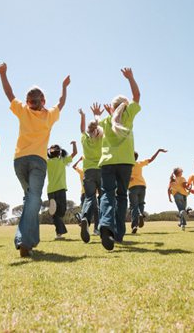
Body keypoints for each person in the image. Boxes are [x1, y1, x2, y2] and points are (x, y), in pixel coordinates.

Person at [0, 62, 70, 257]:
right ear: (43, 100)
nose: (32, 104)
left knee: (30, 199)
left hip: (19, 161)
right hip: (37, 161)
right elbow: (61, 102)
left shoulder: (23, 110)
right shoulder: (49, 115)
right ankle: (24, 241)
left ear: (28, 101)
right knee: (33, 200)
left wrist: (3, 74)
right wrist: (64, 87)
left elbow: (9, 94)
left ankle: (30, 240)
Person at [98, 67, 141, 251]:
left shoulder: (105, 121)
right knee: (122, 196)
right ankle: (119, 233)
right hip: (125, 162)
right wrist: (130, 77)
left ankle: (106, 224)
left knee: (107, 194)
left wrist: (106, 113)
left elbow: (98, 127)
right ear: (124, 105)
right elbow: (137, 95)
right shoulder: (128, 115)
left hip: (107, 162)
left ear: (111, 107)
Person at [77, 105, 104, 243]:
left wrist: (83, 115)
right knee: (104, 199)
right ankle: (102, 227)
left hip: (88, 172)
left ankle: (85, 219)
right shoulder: (100, 138)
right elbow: (97, 128)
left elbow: (82, 129)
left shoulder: (85, 140)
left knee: (89, 198)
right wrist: (97, 116)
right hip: (101, 171)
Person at [128, 149, 167, 233]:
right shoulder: (139, 163)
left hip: (132, 187)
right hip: (142, 186)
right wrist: (158, 151)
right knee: (141, 204)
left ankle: (135, 225)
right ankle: (140, 216)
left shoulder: (127, 166)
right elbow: (151, 159)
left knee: (134, 206)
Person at [46, 142, 77, 239]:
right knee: (59, 212)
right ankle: (59, 232)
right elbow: (75, 152)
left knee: (57, 212)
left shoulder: (50, 162)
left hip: (51, 190)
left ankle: (58, 233)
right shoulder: (59, 161)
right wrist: (74, 144)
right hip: (59, 189)